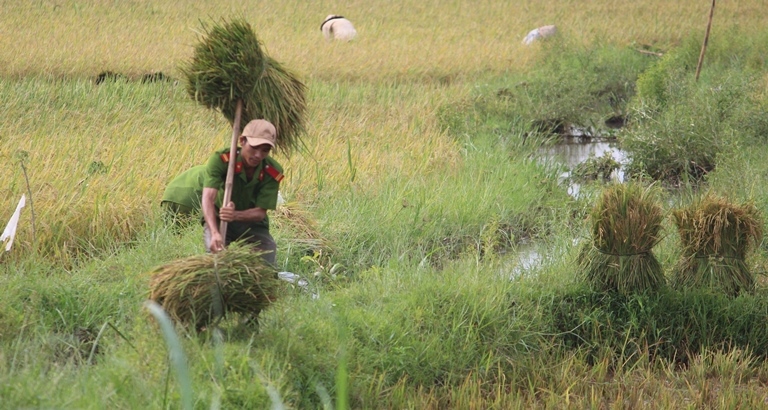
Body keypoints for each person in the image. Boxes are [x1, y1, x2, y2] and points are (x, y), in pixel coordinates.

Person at [202, 119, 284, 266]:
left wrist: (234, 215)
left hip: (252, 222)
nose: (258, 155)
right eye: (254, 147)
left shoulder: (272, 171)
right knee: (215, 263)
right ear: (242, 141)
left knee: (266, 263)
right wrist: (214, 233)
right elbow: (208, 198)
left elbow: (260, 213)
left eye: (265, 150)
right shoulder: (222, 160)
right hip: (220, 217)